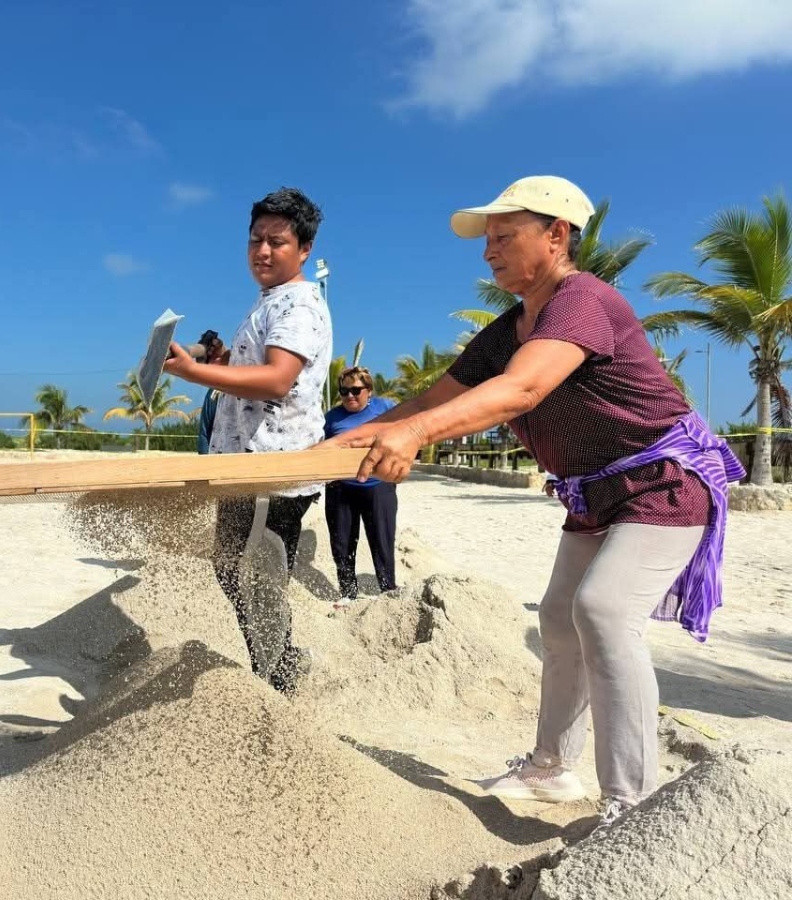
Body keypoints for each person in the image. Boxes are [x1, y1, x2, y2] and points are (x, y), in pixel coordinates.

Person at [319, 175, 743, 826]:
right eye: (487, 239)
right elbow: (429, 401)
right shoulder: (504, 332)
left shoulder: (583, 300)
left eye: (503, 236)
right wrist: (333, 446)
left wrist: (414, 435)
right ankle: (550, 769)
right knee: (558, 620)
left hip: (663, 479)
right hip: (591, 491)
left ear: (556, 235)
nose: (488, 250)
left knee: (603, 612)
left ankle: (631, 805)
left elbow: (521, 390)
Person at [165, 187, 332, 694]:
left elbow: (278, 379)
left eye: (277, 242)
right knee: (237, 570)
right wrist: (220, 362)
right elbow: (260, 373)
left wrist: (196, 374)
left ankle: (278, 679)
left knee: (255, 575)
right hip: (247, 467)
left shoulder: (299, 304)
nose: (262, 250)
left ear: (304, 249)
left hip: (271, 471)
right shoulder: (270, 302)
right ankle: (278, 664)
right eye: (256, 239)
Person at [322, 366, 398, 605]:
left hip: (378, 486)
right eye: (344, 391)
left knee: (382, 541)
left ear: (369, 390)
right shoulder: (331, 418)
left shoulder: (385, 408)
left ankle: (388, 591)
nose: (349, 396)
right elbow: (320, 450)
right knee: (342, 542)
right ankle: (347, 593)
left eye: (355, 390)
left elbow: (405, 433)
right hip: (341, 488)